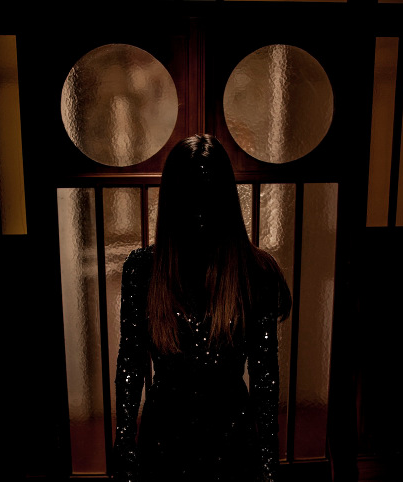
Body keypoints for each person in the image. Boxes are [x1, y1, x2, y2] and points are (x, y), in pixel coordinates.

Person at [113, 134, 291, 481]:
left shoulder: (255, 272)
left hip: (231, 440)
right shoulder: (143, 269)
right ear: (173, 201)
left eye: (207, 197)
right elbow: (130, 362)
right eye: (189, 197)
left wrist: (269, 458)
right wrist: (123, 447)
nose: (198, 212)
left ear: (223, 200)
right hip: (164, 440)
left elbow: (265, 374)